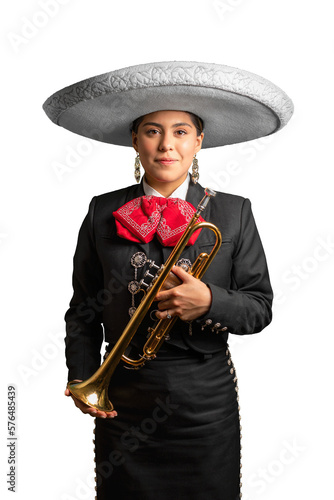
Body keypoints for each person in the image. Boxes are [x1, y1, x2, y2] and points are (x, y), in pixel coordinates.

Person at [43, 61, 293, 499]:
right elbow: (82, 308)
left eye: (180, 131)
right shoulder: (102, 210)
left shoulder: (233, 212)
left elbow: (259, 307)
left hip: (205, 401)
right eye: (153, 131)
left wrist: (210, 301)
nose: (166, 145)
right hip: (123, 397)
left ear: (199, 141)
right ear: (135, 140)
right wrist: (82, 374)